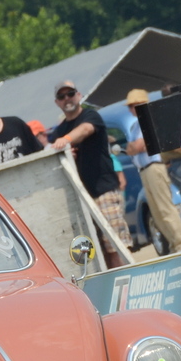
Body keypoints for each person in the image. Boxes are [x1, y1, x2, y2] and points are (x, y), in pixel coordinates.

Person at [49, 80, 130, 267]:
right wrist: (67, 151)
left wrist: (66, 141)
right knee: (95, 252)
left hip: (104, 190)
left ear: (78, 95)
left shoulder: (90, 115)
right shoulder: (58, 131)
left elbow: (86, 129)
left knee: (116, 245)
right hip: (80, 198)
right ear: (57, 102)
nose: (67, 99)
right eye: (61, 96)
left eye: (70, 94)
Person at [124, 89, 181, 255]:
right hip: (145, 170)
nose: (134, 108)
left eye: (137, 104)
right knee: (157, 212)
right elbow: (133, 148)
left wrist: (134, 147)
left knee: (165, 208)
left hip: (154, 167)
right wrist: (134, 147)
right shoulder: (135, 126)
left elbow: (136, 147)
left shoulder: (149, 120)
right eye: (132, 105)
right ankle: (175, 245)